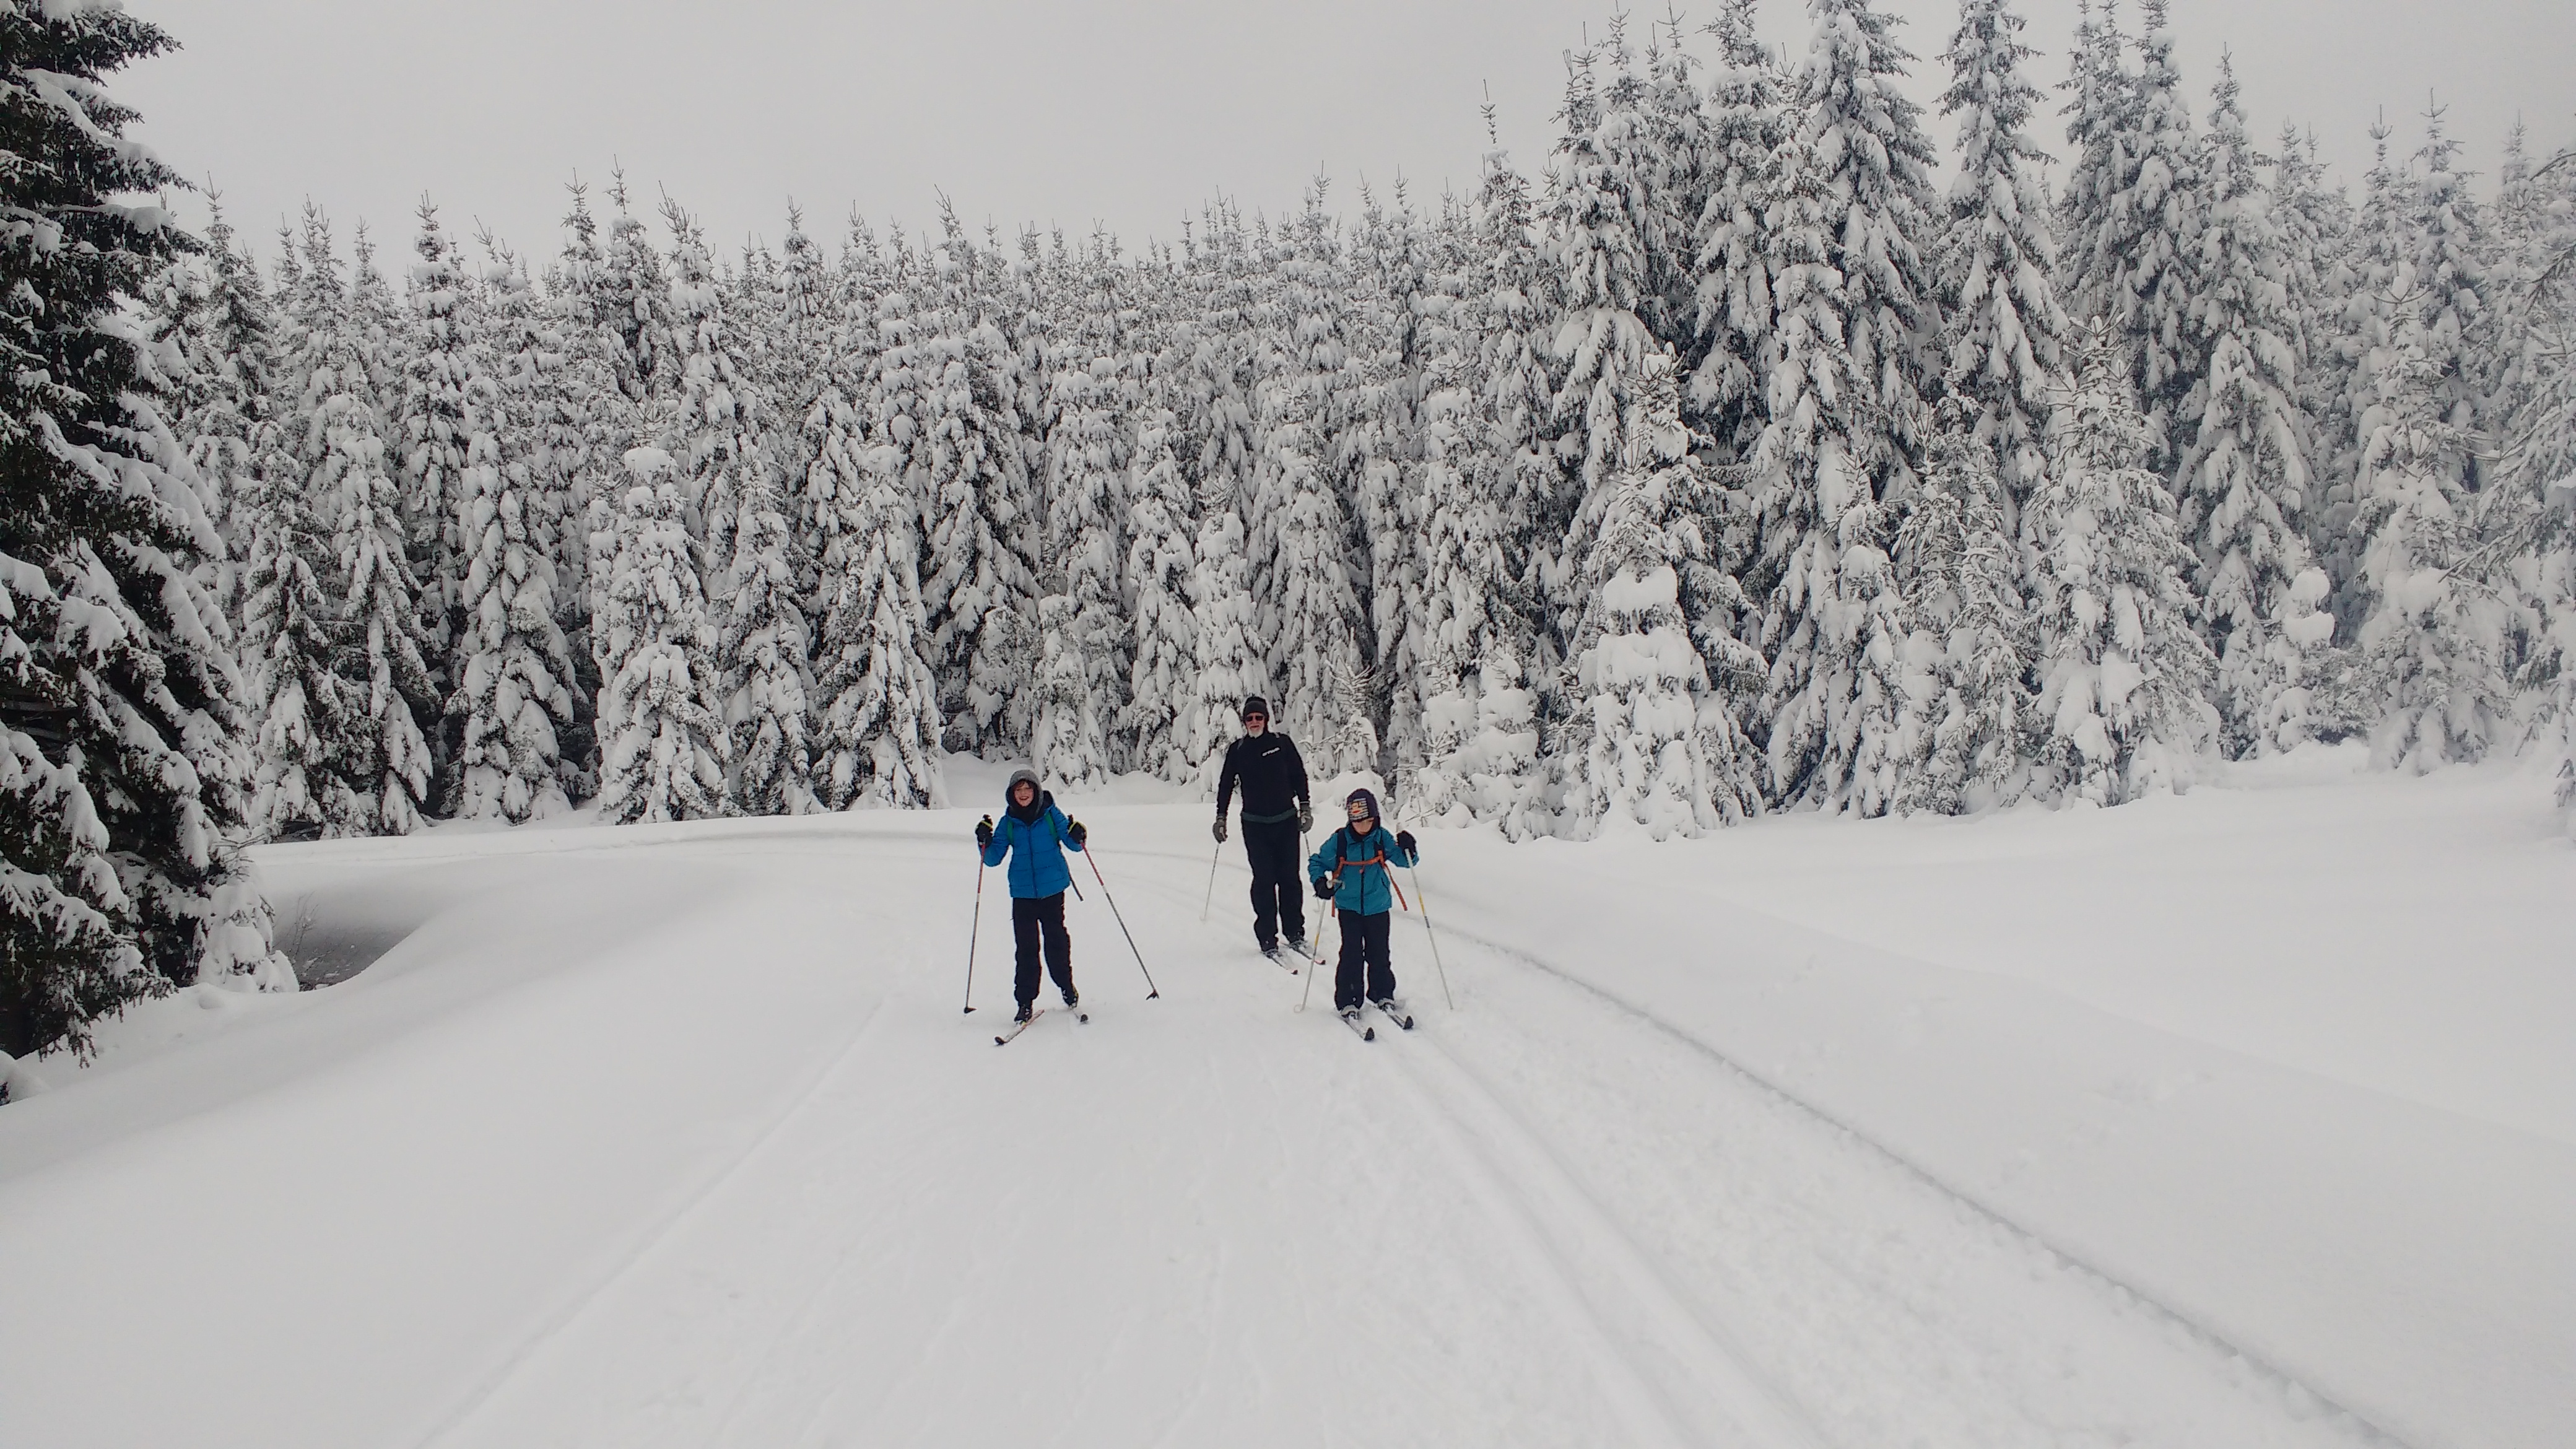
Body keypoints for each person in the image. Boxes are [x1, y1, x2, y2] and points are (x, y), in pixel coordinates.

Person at [977, 767, 1087, 1024]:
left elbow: (1074, 845)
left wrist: (1078, 833)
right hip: (1023, 893)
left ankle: (1067, 987)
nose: (1024, 794)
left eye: (1028, 789)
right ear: (1012, 794)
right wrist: (984, 841)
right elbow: (992, 859)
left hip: (1052, 891)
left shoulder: (1051, 814)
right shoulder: (1008, 822)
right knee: (1026, 949)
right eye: (1019, 790)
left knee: (1056, 942)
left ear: (1036, 790)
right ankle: (1025, 1002)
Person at [1213, 695, 1313, 957]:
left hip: (1286, 821)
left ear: (1266, 719)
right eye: (1250, 718)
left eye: (1259, 717)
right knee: (1264, 880)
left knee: (1289, 879)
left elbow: (1299, 775)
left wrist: (1305, 807)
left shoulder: (1282, 743)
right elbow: (1225, 784)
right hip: (1255, 825)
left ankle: (1295, 933)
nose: (1254, 722)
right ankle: (1267, 938)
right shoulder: (1238, 750)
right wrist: (1221, 817)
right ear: (1244, 722)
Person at [1308, 787, 1417, 1019]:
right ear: (1351, 820)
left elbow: (1405, 861)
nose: (1364, 826)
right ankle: (1348, 1000)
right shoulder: (1340, 841)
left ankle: (1381, 993)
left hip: (1378, 905)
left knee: (1379, 952)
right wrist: (1320, 883)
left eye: (1368, 821)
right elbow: (1316, 862)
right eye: (1358, 822)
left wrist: (1409, 848)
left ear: (1375, 818)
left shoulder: (1381, 838)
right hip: (1349, 908)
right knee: (1352, 953)